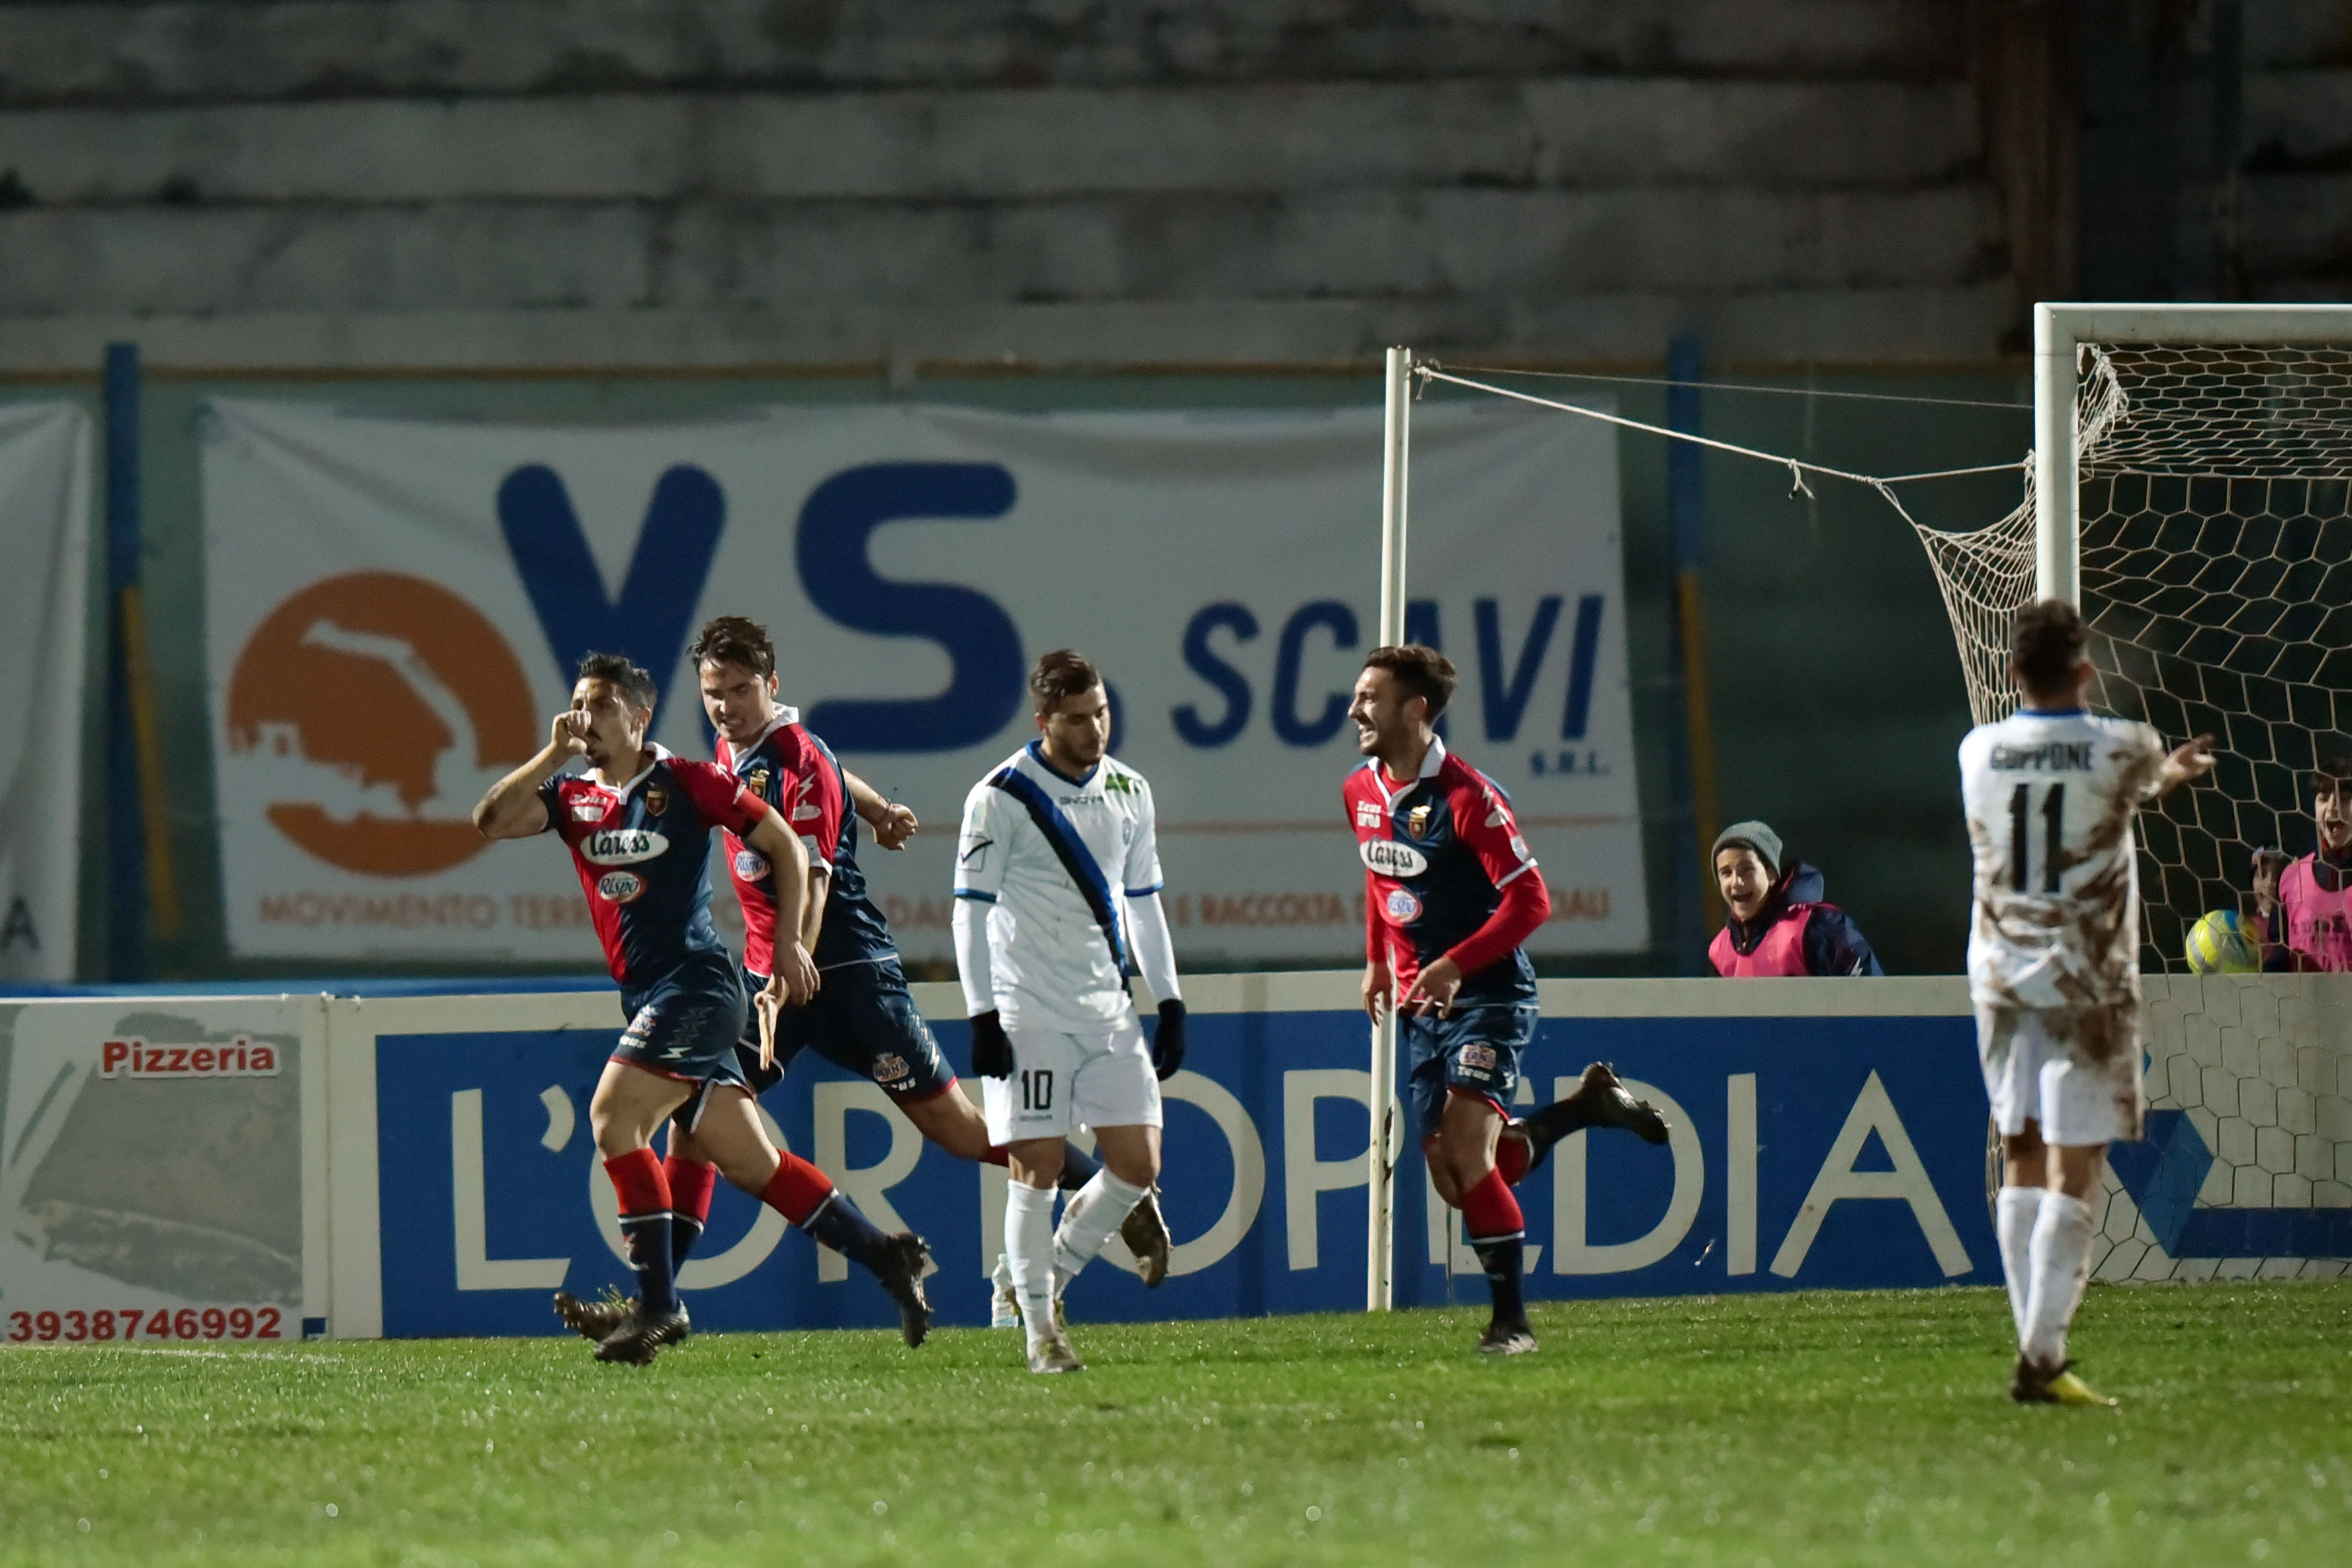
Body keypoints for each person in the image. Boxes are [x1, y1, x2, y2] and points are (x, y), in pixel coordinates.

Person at [673, 617, 1169, 1291]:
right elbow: (837, 772)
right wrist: (877, 811)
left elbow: (814, 874)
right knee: (696, 1115)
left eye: (740, 689)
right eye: (713, 692)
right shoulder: (739, 744)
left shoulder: (795, 754)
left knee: (960, 1132)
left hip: (847, 976)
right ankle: (658, 1296)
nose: (725, 706)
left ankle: (1116, 1191)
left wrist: (795, 949)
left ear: (772, 684)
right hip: (775, 983)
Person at [472, 652, 934, 1364]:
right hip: (653, 995)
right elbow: (492, 819)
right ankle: (885, 1255)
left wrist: (788, 945)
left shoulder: (689, 782)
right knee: (753, 1164)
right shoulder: (572, 797)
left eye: (600, 706)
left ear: (638, 715)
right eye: (578, 704)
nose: (586, 719)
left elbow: (782, 841)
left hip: (699, 986)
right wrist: (553, 750)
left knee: (612, 1118)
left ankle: (657, 1304)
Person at [1345, 644, 1669, 1357]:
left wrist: (1456, 964)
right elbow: (1379, 879)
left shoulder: (1468, 796)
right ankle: (1584, 1110)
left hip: (1488, 995)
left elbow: (1532, 901)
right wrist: (1377, 960)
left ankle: (1512, 1324)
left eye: (1369, 698)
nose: (1353, 710)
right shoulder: (1360, 791)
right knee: (1459, 1180)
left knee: (1466, 1149)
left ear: (1415, 709)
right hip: (1421, 1006)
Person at [1961, 599, 2212, 1406]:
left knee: (2021, 1154)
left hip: (2001, 980)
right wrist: (2174, 772)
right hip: (2088, 986)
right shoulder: (2124, 747)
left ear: (2008, 674)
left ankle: (2036, 1351)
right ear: (2087, 670)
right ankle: (2041, 1354)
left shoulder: (1977, 751)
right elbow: (2139, 783)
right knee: (2078, 1169)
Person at [953, 651, 1185, 1374]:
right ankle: (1041, 1337)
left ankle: (1034, 1279)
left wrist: (1170, 999)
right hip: (1029, 1011)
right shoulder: (998, 797)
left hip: (1108, 1009)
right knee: (1039, 1168)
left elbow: (1143, 903)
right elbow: (968, 914)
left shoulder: (1130, 790)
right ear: (1044, 721)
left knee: (1136, 1164)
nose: (1095, 730)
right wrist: (983, 1015)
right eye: (1078, 719)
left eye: (1102, 714)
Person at [1708, 820, 1883, 977]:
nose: (1736, 882)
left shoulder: (1818, 926)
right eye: (1726, 873)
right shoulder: (1720, 951)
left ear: (1771, 874)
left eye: (1747, 869)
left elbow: (1872, 999)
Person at [2251, 758, 2352, 971]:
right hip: (2303, 1003)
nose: (2332, 809)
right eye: (2323, 799)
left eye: (2344, 799)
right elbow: (2280, 957)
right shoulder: (2291, 878)